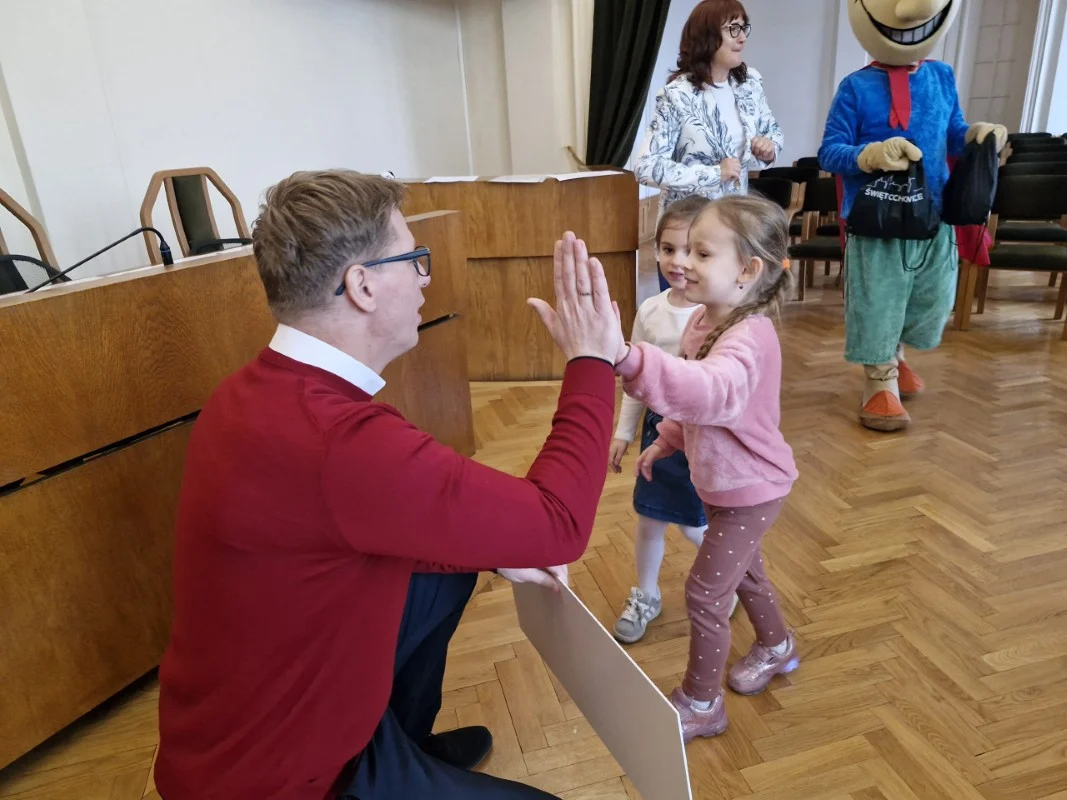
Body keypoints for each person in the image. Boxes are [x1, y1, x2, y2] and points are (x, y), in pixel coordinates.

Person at [154, 169, 625, 799]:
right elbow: (558, 525)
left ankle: (400, 746)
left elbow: (360, 523)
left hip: (227, 740)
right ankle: (376, 770)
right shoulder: (338, 440)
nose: (425, 278)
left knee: (450, 565)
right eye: (414, 259)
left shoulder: (255, 390)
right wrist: (592, 360)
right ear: (363, 285)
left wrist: (497, 549)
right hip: (281, 782)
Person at [612, 195, 799, 741]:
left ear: (747, 271)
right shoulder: (702, 319)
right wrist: (667, 438)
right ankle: (777, 646)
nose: (684, 263)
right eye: (683, 249)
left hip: (752, 489)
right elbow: (699, 411)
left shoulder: (750, 337)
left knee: (704, 594)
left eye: (702, 252)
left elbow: (713, 392)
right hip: (721, 483)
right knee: (746, 574)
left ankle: (701, 702)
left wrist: (631, 359)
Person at [818, 0, 1007, 431]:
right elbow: (831, 151)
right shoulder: (855, 86)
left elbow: (953, 133)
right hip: (878, 219)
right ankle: (879, 382)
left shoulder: (942, 77)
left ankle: (896, 355)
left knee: (930, 302)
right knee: (878, 304)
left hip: (934, 216)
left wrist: (976, 135)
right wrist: (870, 155)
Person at [609, 194, 738, 643]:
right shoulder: (649, 310)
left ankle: (732, 576)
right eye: (668, 248)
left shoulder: (723, 315)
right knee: (649, 519)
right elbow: (633, 380)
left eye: (693, 251)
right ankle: (645, 594)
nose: (678, 261)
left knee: (692, 522)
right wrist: (624, 433)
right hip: (656, 430)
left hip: (702, 434)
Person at [634, 0, 783, 291]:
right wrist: (713, 173)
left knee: (727, 324)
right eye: (733, 29)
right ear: (707, 36)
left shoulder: (750, 83)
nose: (742, 37)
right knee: (685, 327)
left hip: (732, 233)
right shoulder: (677, 95)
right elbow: (645, 167)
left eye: (744, 28)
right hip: (686, 238)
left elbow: (772, 133)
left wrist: (768, 148)